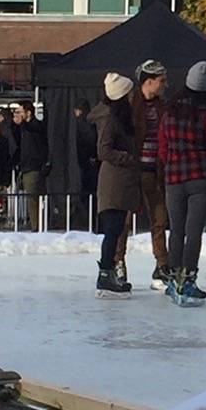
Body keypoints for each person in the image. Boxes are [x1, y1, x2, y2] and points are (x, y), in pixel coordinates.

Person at [158, 61, 206, 305]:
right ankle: (188, 279)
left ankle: (173, 278)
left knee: (176, 230)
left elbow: (163, 146)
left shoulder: (169, 112)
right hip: (201, 177)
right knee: (194, 232)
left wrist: (171, 162)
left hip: (174, 178)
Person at [115, 59, 171, 290]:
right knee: (123, 222)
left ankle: (162, 266)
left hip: (154, 171)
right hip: (131, 172)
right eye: (161, 81)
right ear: (149, 82)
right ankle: (118, 263)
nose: (165, 85)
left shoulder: (163, 107)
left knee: (159, 220)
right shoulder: (130, 104)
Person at [89, 73, 137, 298]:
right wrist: (128, 157)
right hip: (114, 179)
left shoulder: (117, 116)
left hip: (120, 179)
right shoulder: (109, 118)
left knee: (116, 228)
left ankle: (107, 273)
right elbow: (103, 150)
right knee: (113, 229)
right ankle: (105, 274)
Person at [11, 100, 50, 232]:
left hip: (34, 167)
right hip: (24, 166)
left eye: (20, 112)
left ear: (28, 112)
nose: (18, 115)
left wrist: (22, 124)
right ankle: (35, 223)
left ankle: (37, 226)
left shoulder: (36, 126)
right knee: (30, 197)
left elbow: (34, 130)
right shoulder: (22, 129)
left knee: (34, 197)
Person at [74, 99, 99, 199]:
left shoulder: (83, 123)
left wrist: (92, 155)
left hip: (87, 162)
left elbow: (90, 139)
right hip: (89, 161)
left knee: (87, 189)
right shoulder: (91, 122)